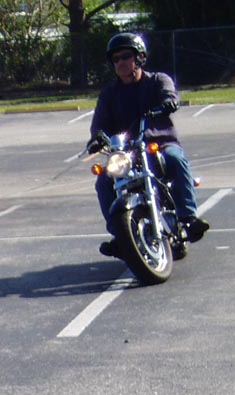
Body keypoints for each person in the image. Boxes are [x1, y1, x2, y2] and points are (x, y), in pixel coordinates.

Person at [86, 32, 209, 258]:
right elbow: (99, 125)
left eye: (126, 56)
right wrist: (97, 138)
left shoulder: (157, 80)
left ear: (140, 57)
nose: (121, 62)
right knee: (104, 179)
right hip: (127, 152)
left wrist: (168, 103)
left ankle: (189, 219)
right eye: (116, 59)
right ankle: (119, 234)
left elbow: (169, 95)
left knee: (175, 158)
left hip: (159, 143)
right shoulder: (109, 94)